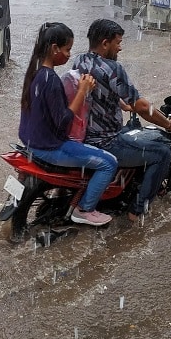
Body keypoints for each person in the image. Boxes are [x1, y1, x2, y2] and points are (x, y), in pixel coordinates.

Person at [73, 19, 171, 222]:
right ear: (105, 43)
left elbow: (96, 92)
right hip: (105, 141)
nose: (120, 47)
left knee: (131, 130)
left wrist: (120, 103)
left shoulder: (80, 61)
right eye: (118, 42)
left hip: (83, 136)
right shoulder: (113, 68)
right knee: (162, 152)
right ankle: (138, 210)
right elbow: (142, 106)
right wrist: (169, 124)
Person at [19, 22, 118, 227]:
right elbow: (63, 121)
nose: (68, 55)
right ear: (54, 49)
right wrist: (82, 91)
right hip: (50, 147)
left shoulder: (35, 73)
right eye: (67, 49)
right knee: (109, 162)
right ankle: (85, 209)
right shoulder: (51, 80)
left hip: (31, 144)